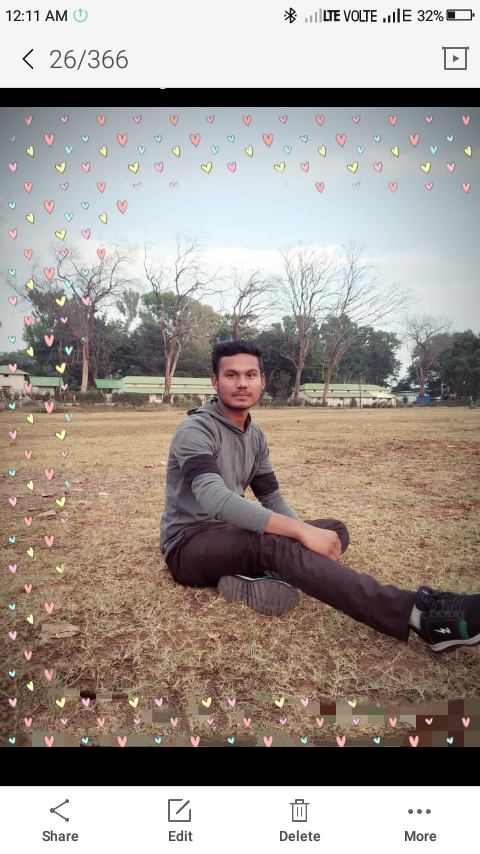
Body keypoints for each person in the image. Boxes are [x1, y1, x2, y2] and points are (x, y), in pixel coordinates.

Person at [160, 339, 480, 653]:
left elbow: (272, 498)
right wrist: (300, 532)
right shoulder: (196, 429)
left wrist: (306, 533)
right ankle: (420, 614)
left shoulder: (255, 437)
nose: (242, 383)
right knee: (279, 543)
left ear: (262, 381)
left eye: (250, 375)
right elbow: (215, 499)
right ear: (215, 381)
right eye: (231, 375)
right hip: (189, 544)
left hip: (233, 536)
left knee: (334, 530)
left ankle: (253, 575)